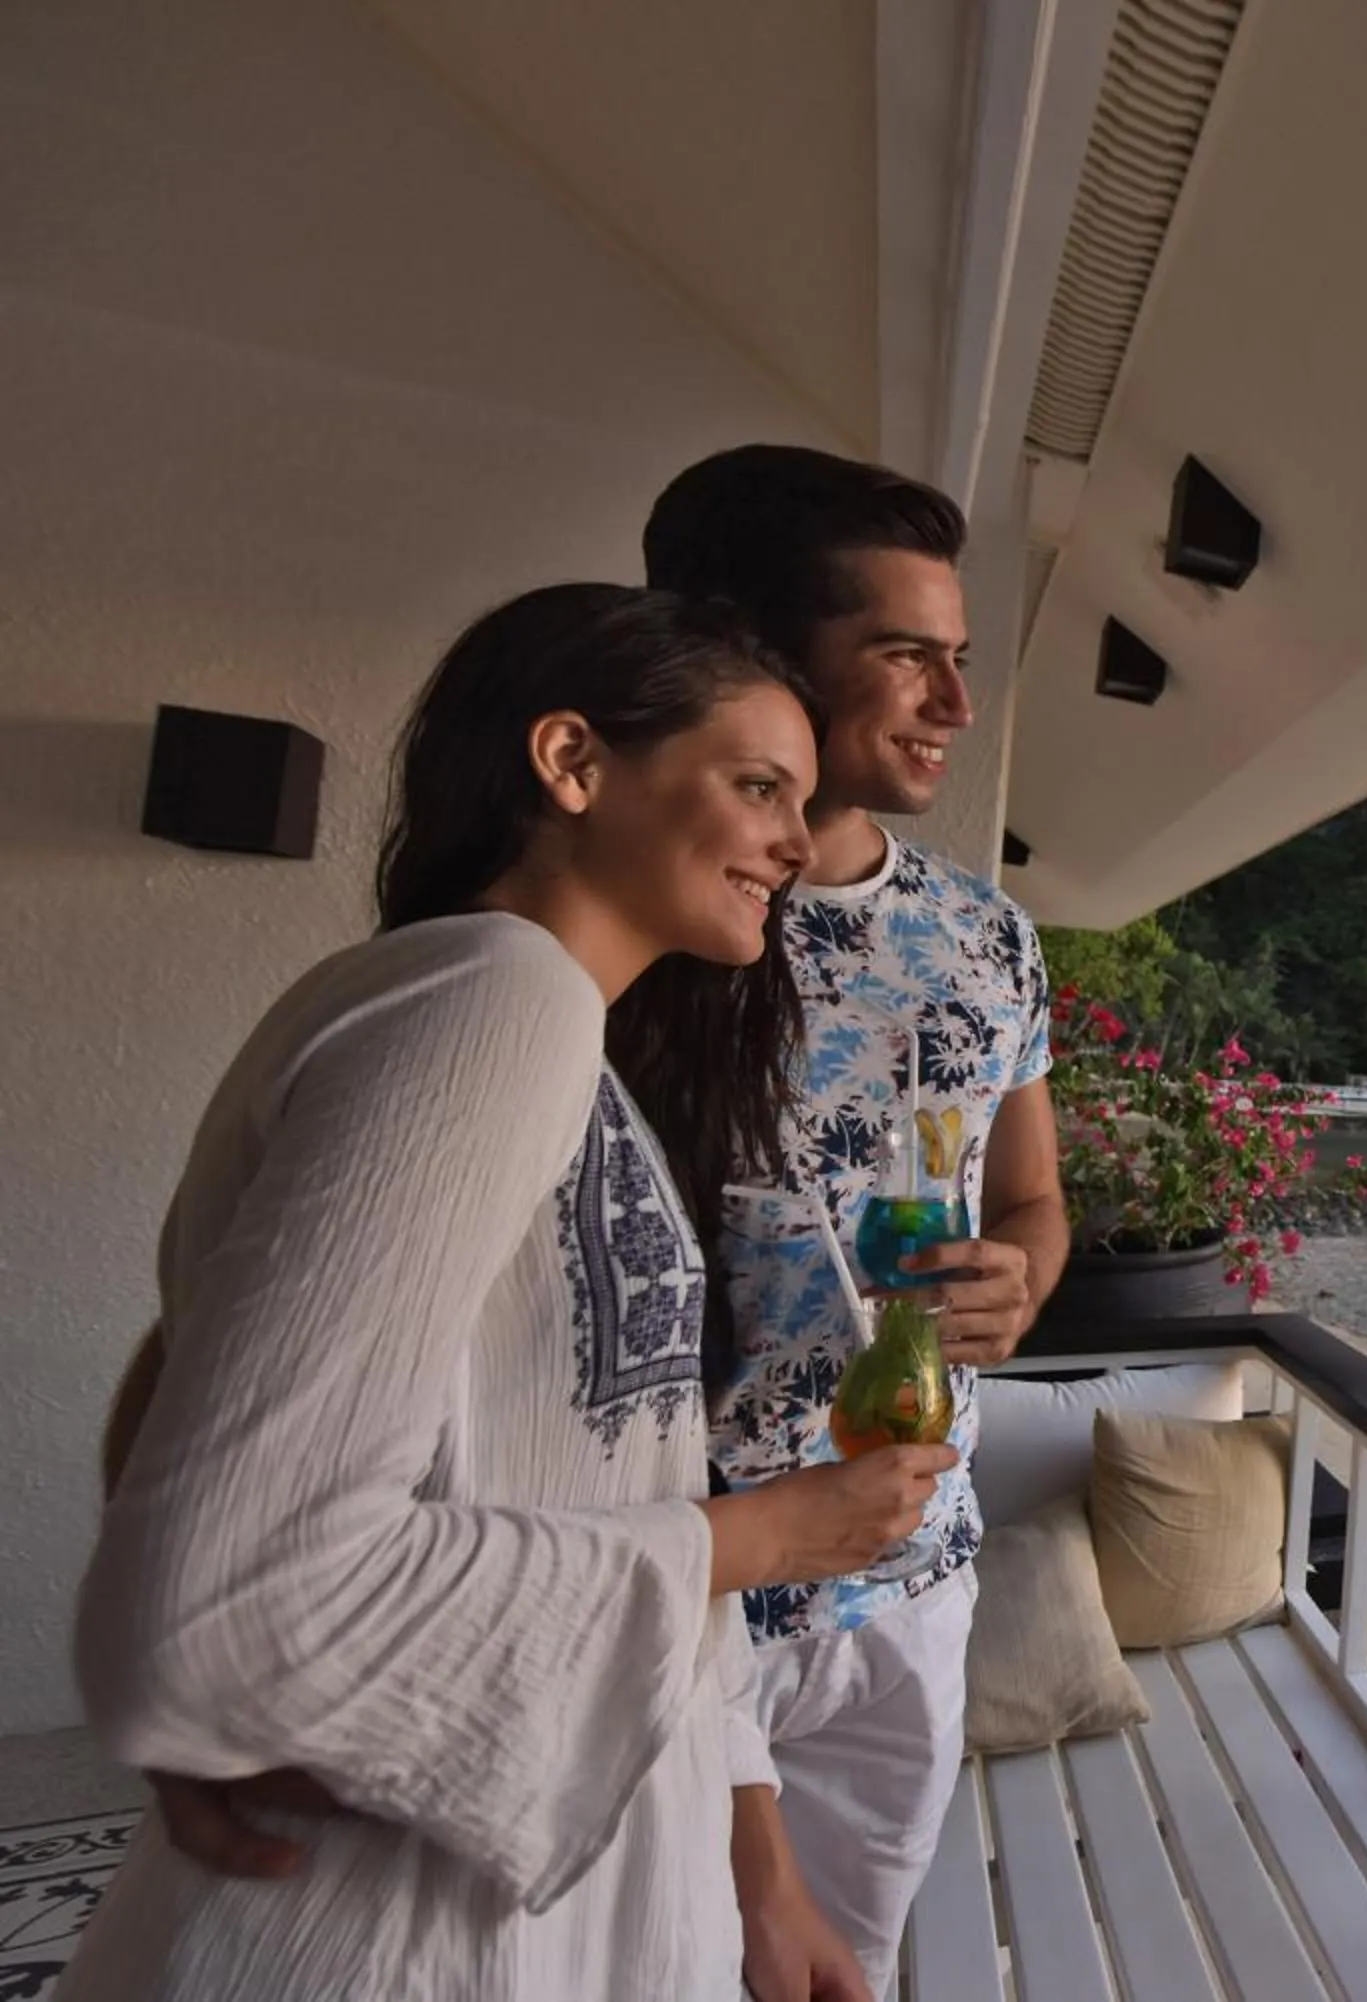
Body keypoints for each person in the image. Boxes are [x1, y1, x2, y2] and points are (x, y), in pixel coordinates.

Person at [68, 585, 954, 2001]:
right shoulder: (493, 999)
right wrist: (769, 1533)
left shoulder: (555, 1043)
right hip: (400, 1936)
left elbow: (586, 1464)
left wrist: (758, 1877)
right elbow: (225, 1599)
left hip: (522, 1897)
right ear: (573, 761)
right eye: (757, 786)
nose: (799, 842)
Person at [641, 445, 1069, 1993]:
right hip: (684, 1579)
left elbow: (1031, 1196)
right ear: (759, 650)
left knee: (848, 1968)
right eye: (905, 655)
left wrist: (1021, 1278)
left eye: (959, 656)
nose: (956, 702)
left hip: (914, 1573)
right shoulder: (655, 924)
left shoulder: (984, 934)